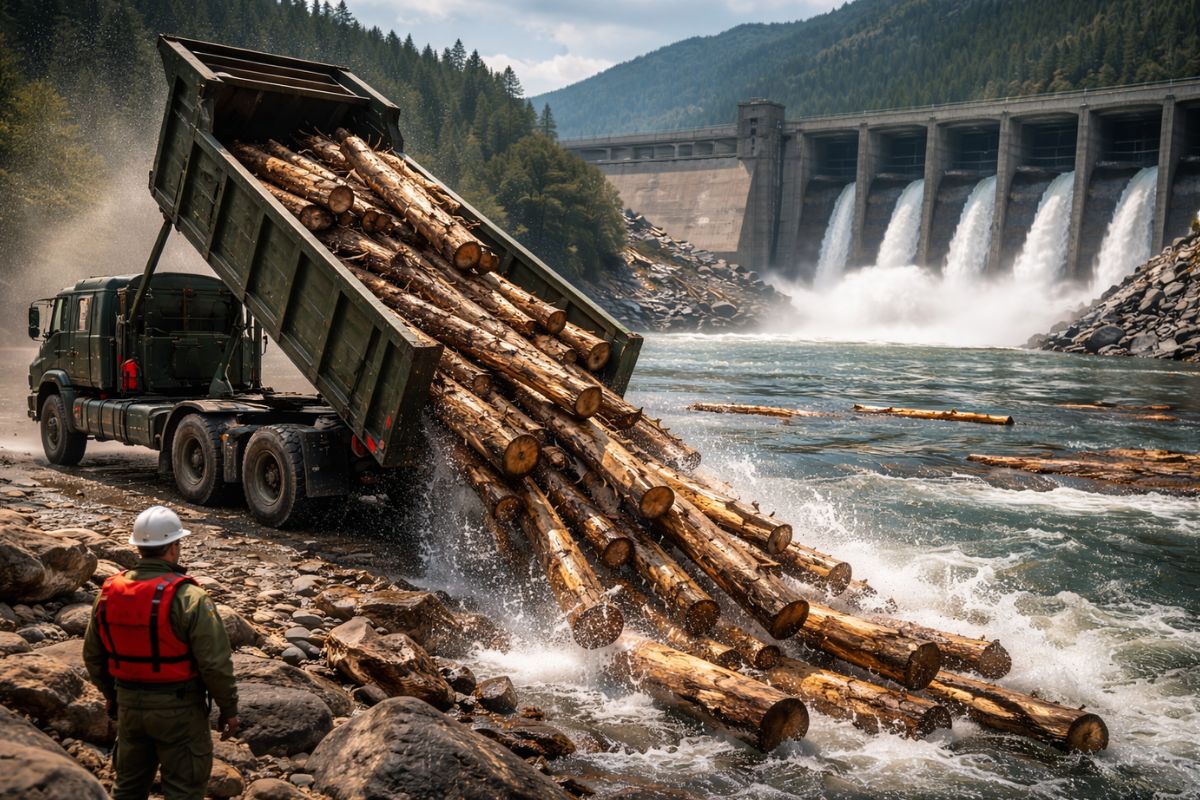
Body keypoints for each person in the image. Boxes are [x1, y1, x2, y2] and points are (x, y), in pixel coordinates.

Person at [83, 505, 239, 800]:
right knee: (184, 790)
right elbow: (215, 664)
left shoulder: (108, 592)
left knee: (127, 789)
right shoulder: (190, 596)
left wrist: (113, 694)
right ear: (173, 547)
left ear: (138, 547)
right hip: (180, 711)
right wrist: (229, 709)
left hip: (129, 707)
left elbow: (92, 655)